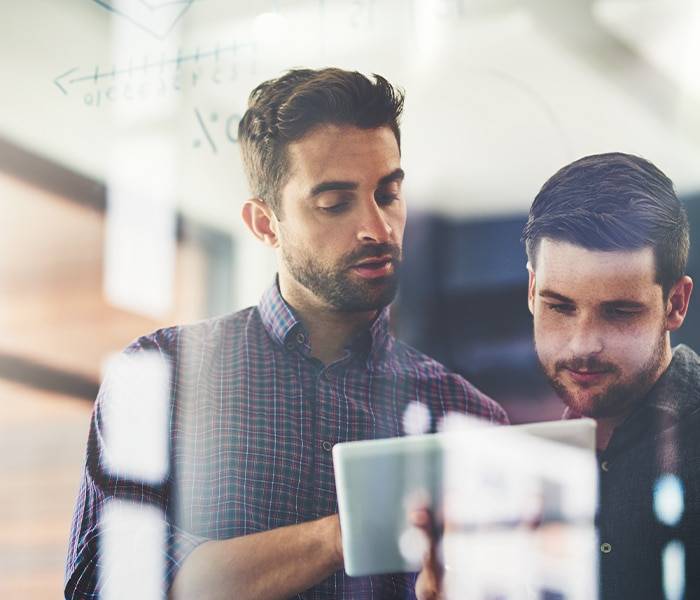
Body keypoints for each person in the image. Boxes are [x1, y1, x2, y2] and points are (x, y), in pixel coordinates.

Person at [64, 68, 507, 600]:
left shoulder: (468, 416)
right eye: (334, 203)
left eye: (387, 193)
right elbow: (107, 581)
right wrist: (341, 538)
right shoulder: (162, 375)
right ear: (264, 224)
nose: (378, 227)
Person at [416, 152, 700, 600]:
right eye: (560, 306)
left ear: (676, 304)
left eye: (619, 311)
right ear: (532, 291)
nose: (582, 344)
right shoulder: (514, 461)